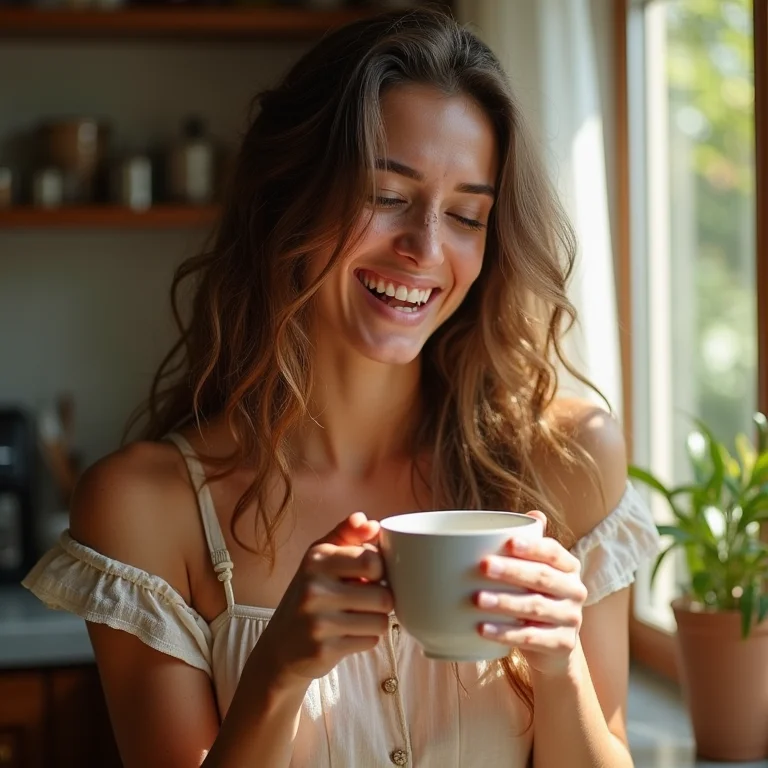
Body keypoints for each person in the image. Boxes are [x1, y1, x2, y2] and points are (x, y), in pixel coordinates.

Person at [23, 7, 660, 768]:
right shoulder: (148, 510)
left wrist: (561, 671)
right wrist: (277, 672)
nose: (426, 247)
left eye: (465, 214)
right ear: (288, 197)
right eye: (387, 196)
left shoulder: (568, 459)